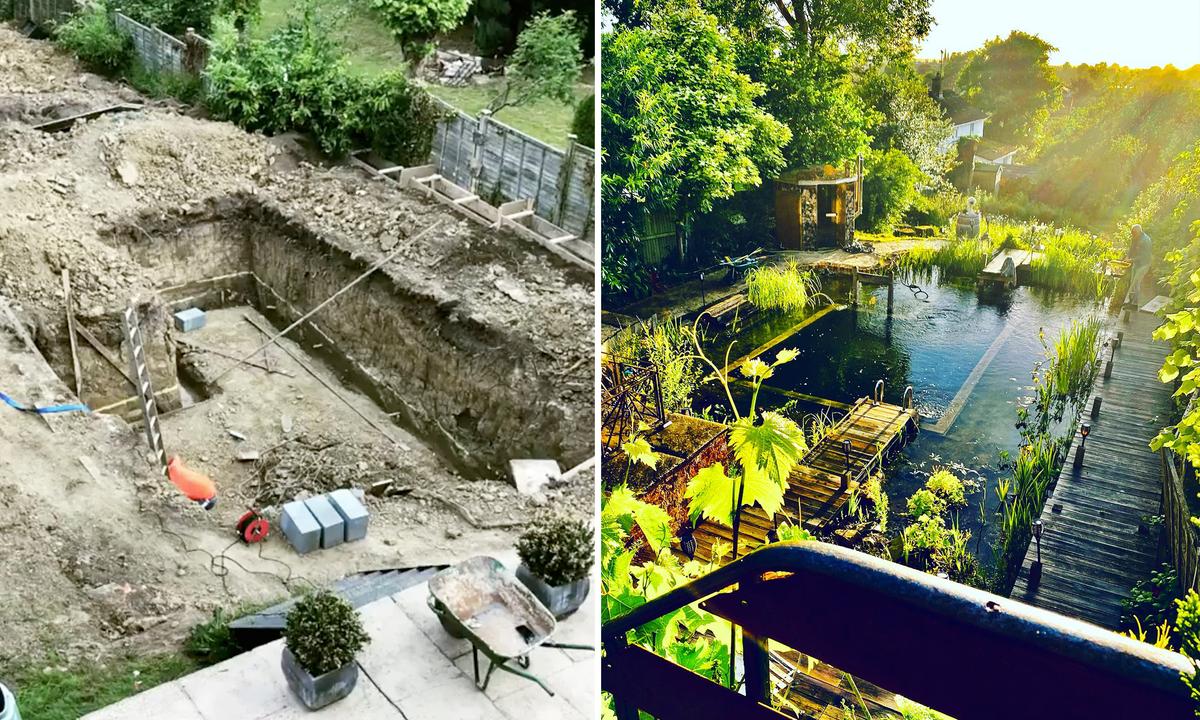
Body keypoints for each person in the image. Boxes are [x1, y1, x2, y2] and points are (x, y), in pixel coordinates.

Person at [1124, 224, 1153, 307]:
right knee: (1132, 282)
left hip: (1144, 264)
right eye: (1132, 233)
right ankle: (1130, 301)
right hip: (1136, 264)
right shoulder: (1135, 237)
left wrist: (1131, 260)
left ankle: (1135, 304)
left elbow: (1144, 256)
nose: (1132, 235)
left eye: (1134, 233)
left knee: (1136, 283)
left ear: (1139, 232)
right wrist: (1128, 256)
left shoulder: (1146, 240)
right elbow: (1132, 248)